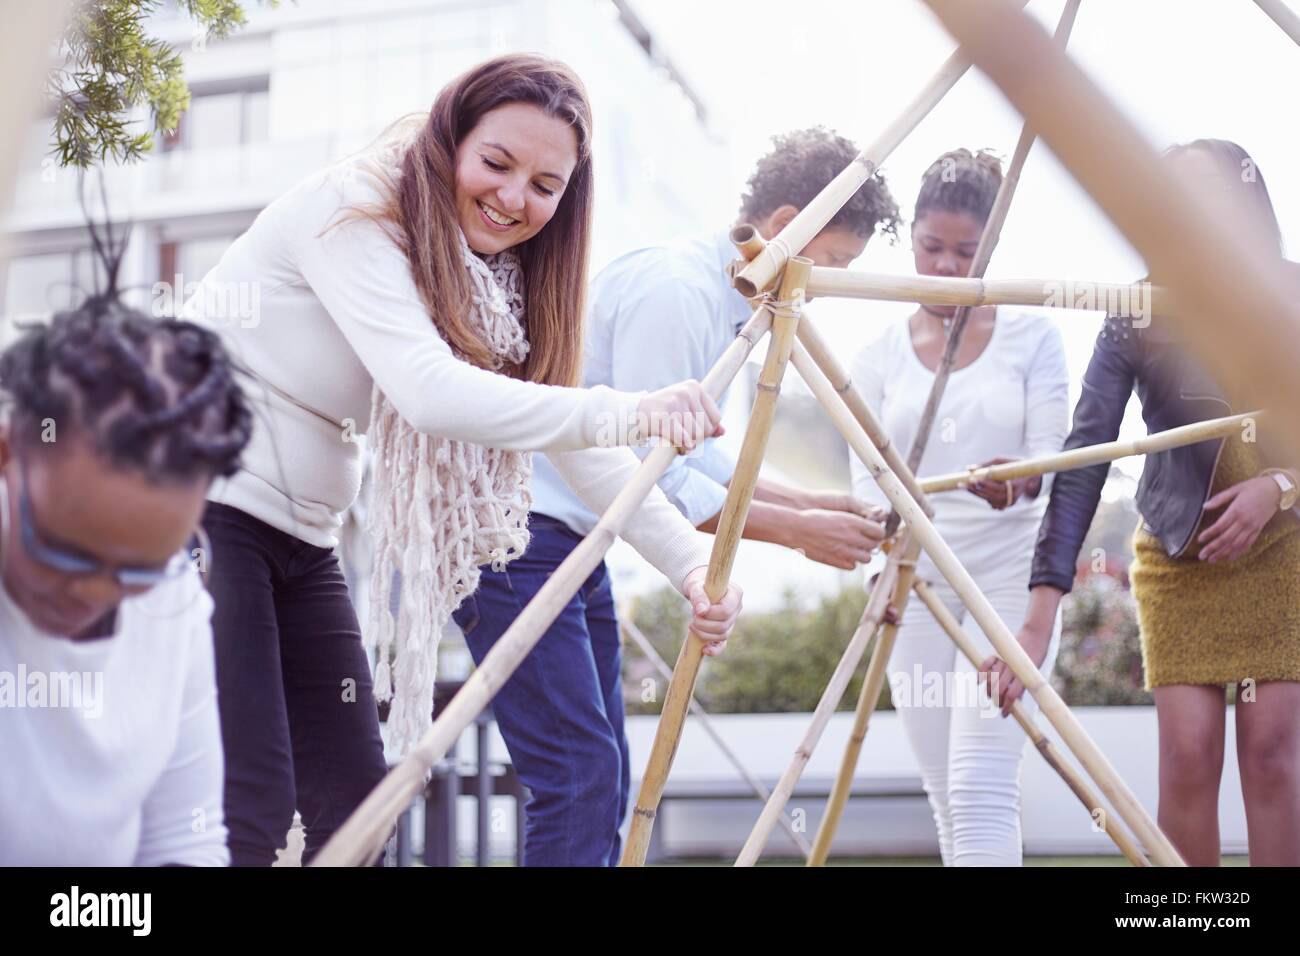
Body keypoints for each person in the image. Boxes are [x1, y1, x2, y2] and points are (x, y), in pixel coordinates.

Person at [185, 53, 741, 866]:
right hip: (201, 500)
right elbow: (430, 392)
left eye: (546, 186)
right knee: (252, 803)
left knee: (355, 815)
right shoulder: (357, 209)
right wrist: (631, 408)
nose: (515, 199)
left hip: (304, 535)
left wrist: (690, 563)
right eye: (496, 163)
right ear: (450, 140)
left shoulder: (499, 283)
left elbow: (560, 442)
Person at [455, 127, 901, 866]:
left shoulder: (723, 302)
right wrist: (797, 533)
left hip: (575, 537)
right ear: (788, 228)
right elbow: (647, 474)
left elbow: (704, 459)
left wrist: (817, 510)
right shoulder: (679, 294)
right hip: (520, 541)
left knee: (605, 772)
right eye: (831, 263)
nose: (825, 286)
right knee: (578, 775)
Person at [999, 139, 1300, 866]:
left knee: (1271, 758)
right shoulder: (1138, 309)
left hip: (1286, 550)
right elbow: (1084, 457)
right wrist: (1041, 612)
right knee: (1187, 760)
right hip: (1180, 556)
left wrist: (1279, 487)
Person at [0, 227, 252, 865]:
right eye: (65, 552)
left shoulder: (174, 603)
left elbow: (185, 838)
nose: (93, 594)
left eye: (136, 571)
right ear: (8, 456)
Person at [848, 148, 1070, 866]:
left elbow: (1055, 464)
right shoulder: (878, 355)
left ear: (994, 248)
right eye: (931, 248)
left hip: (1008, 577)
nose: (945, 268)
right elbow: (866, 486)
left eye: (966, 253)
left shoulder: (1033, 332)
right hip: (918, 584)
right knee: (945, 790)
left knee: (981, 782)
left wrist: (1020, 477)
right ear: (910, 238)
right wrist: (881, 561)